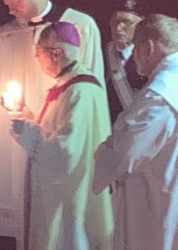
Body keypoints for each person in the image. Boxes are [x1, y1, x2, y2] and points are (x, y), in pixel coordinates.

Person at [0, 0, 104, 249]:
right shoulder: (7, 35)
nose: (11, 11)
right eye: (7, 5)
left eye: (15, 2)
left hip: (61, 137)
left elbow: (90, 84)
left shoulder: (81, 26)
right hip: (17, 141)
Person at [93, 14, 178, 250]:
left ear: (149, 47)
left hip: (165, 203)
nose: (134, 55)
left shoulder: (160, 94)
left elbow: (126, 153)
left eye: (136, 47)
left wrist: (101, 154)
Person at [10, 22, 113, 250]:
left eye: (39, 54)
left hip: (72, 196)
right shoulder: (67, 85)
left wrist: (27, 131)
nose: (38, 61)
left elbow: (66, 151)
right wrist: (29, 119)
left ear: (56, 54)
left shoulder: (81, 90)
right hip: (61, 191)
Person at [103, 0, 148, 124]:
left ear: (141, 25)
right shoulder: (101, 54)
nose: (119, 27)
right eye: (115, 21)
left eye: (126, 22)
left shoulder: (150, 58)